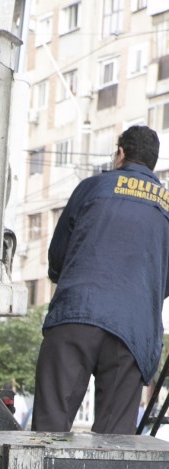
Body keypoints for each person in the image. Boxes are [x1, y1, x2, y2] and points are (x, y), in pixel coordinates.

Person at [31, 125, 169, 435]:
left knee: (48, 434)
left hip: (76, 315)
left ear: (121, 154)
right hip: (132, 331)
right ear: (153, 163)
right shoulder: (167, 205)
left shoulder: (93, 187)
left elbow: (58, 257)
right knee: (113, 445)